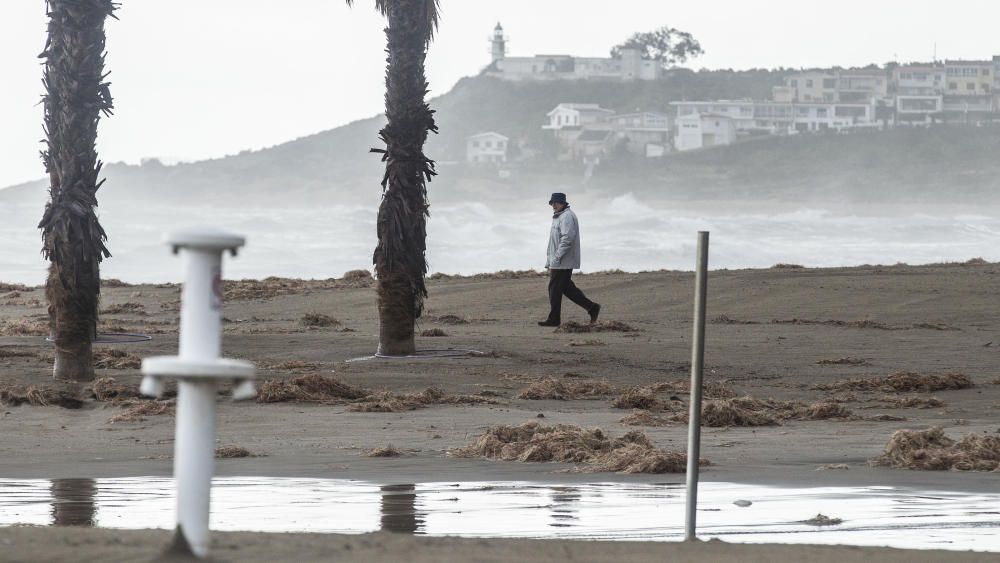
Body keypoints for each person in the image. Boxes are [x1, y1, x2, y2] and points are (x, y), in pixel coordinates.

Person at [538, 192, 600, 327]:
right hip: (560, 260)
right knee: (566, 288)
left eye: (556, 202)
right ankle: (592, 307)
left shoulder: (566, 217)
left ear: (563, 203)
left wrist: (557, 257)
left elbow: (567, 239)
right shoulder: (560, 216)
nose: (553, 205)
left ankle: (554, 319)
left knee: (554, 288)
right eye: (552, 203)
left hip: (562, 261)